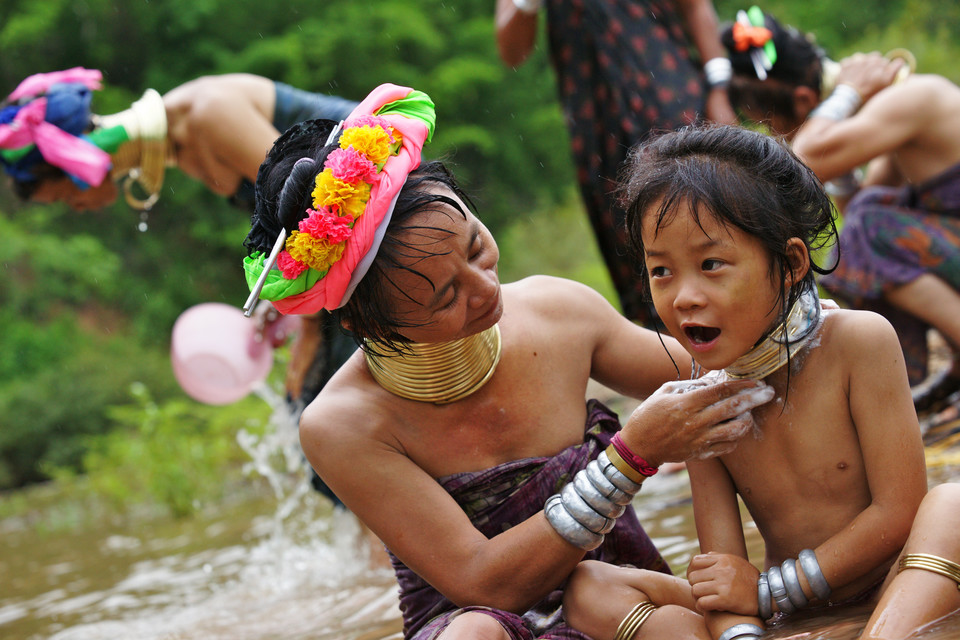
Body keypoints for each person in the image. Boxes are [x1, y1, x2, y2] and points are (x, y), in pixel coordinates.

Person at [241, 83, 777, 639]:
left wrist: (806, 316)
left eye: (476, 246)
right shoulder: (343, 425)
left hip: (621, 606)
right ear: (363, 325)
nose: (485, 287)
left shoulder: (558, 312)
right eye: (445, 297)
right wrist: (632, 457)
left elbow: (730, 375)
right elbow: (485, 585)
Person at [560, 125, 960, 640]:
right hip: (790, 619)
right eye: (661, 271)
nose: (684, 297)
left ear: (791, 264)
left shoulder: (858, 342)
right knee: (589, 586)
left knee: (951, 506)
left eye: (711, 265)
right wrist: (742, 628)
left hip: (900, 590)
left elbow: (899, 514)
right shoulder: (701, 397)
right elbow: (720, 571)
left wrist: (768, 592)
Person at [0, 68, 360, 509]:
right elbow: (286, 228)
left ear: (72, 162)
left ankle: (396, 563)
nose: (74, 208)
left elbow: (314, 210)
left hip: (386, 208)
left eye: (61, 198)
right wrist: (284, 304)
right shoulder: (177, 141)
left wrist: (307, 330)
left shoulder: (206, 116)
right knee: (314, 424)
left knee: (331, 420)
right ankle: (379, 568)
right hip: (350, 243)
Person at [718, 10, 960, 407]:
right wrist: (843, 156)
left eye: (776, 126)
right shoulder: (891, 114)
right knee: (857, 236)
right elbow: (862, 215)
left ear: (803, 100)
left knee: (866, 229)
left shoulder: (913, 97)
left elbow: (805, 158)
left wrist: (847, 94)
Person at [494, 0, 738, 326]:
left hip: (672, 102)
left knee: (709, 225)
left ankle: (746, 346)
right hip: (598, 131)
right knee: (637, 260)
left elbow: (695, 7)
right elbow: (512, 52)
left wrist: (720, 90)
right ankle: (679, 363)